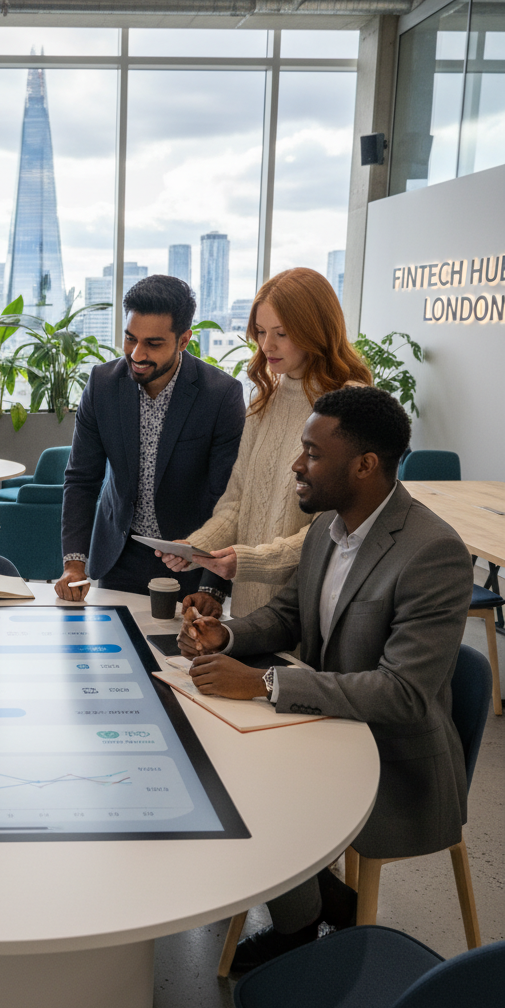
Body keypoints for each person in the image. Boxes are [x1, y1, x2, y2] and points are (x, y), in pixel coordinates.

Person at [177, 386, 472, 970]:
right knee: (213, 766)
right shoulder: (326, 530)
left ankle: (299, 921)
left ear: (364, 465)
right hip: (325, 727)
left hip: (393, 759)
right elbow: (288, 616)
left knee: (247, 791)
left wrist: (263, 685)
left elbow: (404, 693)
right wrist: (226, 635)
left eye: (311, 452)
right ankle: (314, 897)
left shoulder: (433, 552)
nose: (296, 464)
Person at [159, 267, 372, 618]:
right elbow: (237, 503)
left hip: (307, 613)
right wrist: (197, 547)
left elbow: (335, 530)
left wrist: (251, 562)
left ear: (316, 331)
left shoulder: (352, 406)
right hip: (249, 611)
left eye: (282, 333)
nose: (266, 345)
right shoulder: (264, 400)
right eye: (260, 331)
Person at [55, 275, 245, 602]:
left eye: (153, 344)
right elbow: (82, 480)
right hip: (119, 553)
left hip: (190, 558)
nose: (137, 354)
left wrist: (211, 587)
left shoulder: (221, 396)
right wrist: (75, 563)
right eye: (130, 339)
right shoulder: (102, 385)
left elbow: (226, 498)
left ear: (183, 340)